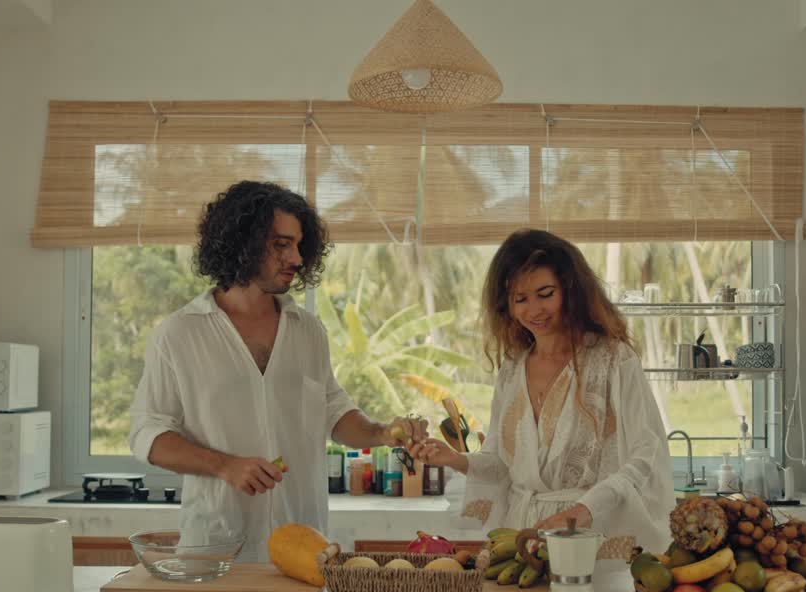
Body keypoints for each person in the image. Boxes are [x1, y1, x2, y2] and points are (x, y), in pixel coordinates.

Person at [129, 181, 427, 560]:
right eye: (281, 245)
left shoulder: (308, 331)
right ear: (242, 241)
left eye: (300, 245)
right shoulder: (180, 334)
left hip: (304, 544)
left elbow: (333, 411)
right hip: (215, 549)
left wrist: (382, 432)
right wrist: (225, 466)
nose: (297, 258)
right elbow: (147, 433)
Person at [413, 229, 673, 556]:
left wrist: (587, 508)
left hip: (590, 535)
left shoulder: (613, 361)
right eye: (520, 299)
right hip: (519, 536)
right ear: (506, 306)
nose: (534, 309)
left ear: (570, 289)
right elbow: (500, 463)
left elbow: (645, 453)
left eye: (545, 293)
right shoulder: (511, 370)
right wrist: (455, 459)